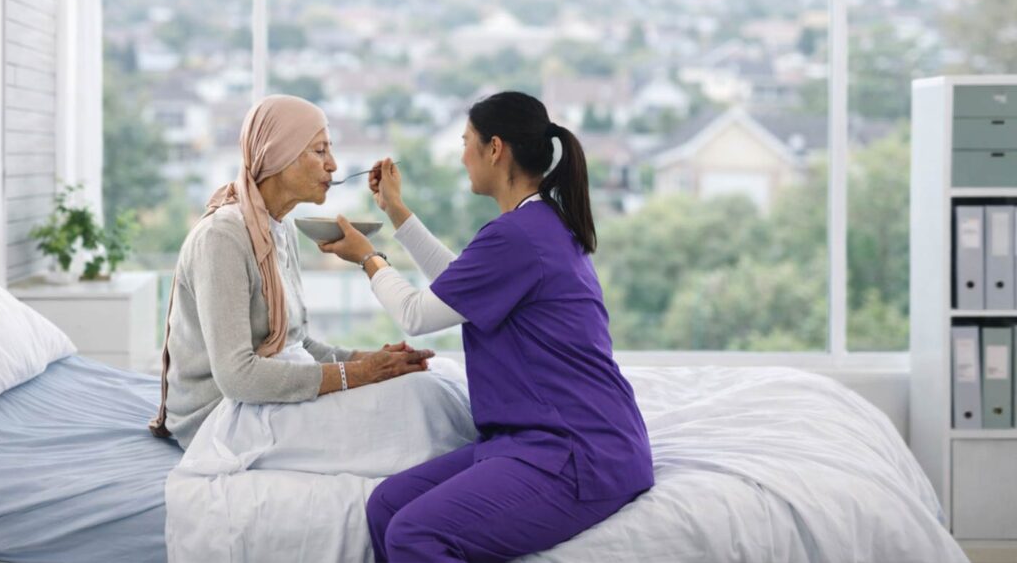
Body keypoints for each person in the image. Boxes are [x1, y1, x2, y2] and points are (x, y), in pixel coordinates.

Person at [323, 91, 655, 562]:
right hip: (530, 442)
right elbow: (459, 286)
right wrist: (395, 211)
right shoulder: (535, 224)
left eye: (466, 143)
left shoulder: (518, 235)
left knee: (414, 534)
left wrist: (367, 258)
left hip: (579, 454)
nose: (462, 157)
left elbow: (418, 314)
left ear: (495, 149)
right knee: (386, 507)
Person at [148, 94, 433, 449]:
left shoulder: (278, 229)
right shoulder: (222, 237)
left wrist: (369, 361)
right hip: (216, 417)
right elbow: (237, 377)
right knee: (401, 428)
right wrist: (358, 374)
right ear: (277, 155)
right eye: (320, 151)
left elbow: (297, 344)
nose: (333, 165)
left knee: (418, 391)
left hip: (256, 403)